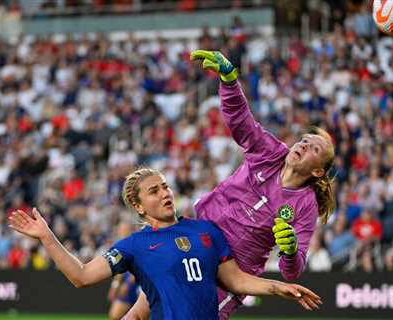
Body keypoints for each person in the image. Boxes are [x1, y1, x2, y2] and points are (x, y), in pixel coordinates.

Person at [126, 50, 336, 319]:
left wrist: (291, 250)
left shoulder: (304, 204)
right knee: (138, 314)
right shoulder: (271, 152)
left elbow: (291, 270)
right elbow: (241, 121)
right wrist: (229, 81)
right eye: (305, 140)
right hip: (194, 244)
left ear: (318, 171)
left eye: (314, 148)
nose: (304, 144)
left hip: (230, 274)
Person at [8, 168, 322, 320]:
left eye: (165, 186)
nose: (165, 193)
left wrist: (280, 287)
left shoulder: (207, 231)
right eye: (154, 191)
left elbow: (236, 280)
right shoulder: (135, 245)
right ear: (139, 206)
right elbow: (82, 276)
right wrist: (48, 237)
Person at [107, 222, 140, 320]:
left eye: (123, 229)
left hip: (137, 284)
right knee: (114, 315)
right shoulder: (119, 245)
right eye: (120, 229)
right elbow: (119, 269)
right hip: (127, 283)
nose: (120, 232)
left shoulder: (135, 244)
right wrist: (115, 285)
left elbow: (139, 267)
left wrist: (127, 284)